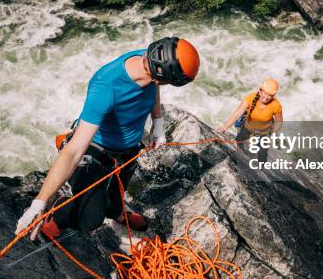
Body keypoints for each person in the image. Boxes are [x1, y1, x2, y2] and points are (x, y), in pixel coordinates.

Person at [15, 37, 200, 240]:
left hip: (129, 147)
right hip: (97, 149)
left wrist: (158, 121)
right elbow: (74, 150)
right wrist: (39, 203)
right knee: (91, 220)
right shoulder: (106, 87)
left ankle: (117, 212)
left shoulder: (149, 58)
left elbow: (153, 86)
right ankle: (57, 217)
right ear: (161, 77)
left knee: (118, 190)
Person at [217, 78, 283, 162]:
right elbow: (238, 113)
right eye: (265, 93)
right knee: (238, 142)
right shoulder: (251, 98)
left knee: (262, 153)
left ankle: (261, 167)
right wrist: (225, 127)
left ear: (273, 96)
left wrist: (273, 134)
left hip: (264, 132)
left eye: (270, 95)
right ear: (260, 91)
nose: (266, 97)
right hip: (248, 127)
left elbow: (279, 122)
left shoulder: (276, 105)